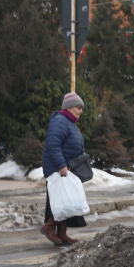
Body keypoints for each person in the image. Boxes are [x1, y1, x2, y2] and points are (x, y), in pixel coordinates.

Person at [40, 92, 88, 245]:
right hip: (58, 169)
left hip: (67, 168)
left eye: (81, 108)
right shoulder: (60, 121)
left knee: (68, 201)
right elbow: (53, 145)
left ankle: (62, 234)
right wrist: (61, 165)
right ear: (68, 107)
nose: (81, 110)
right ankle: (49, 227)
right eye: (78, 107)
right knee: (62, 200)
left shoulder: (69, 122)